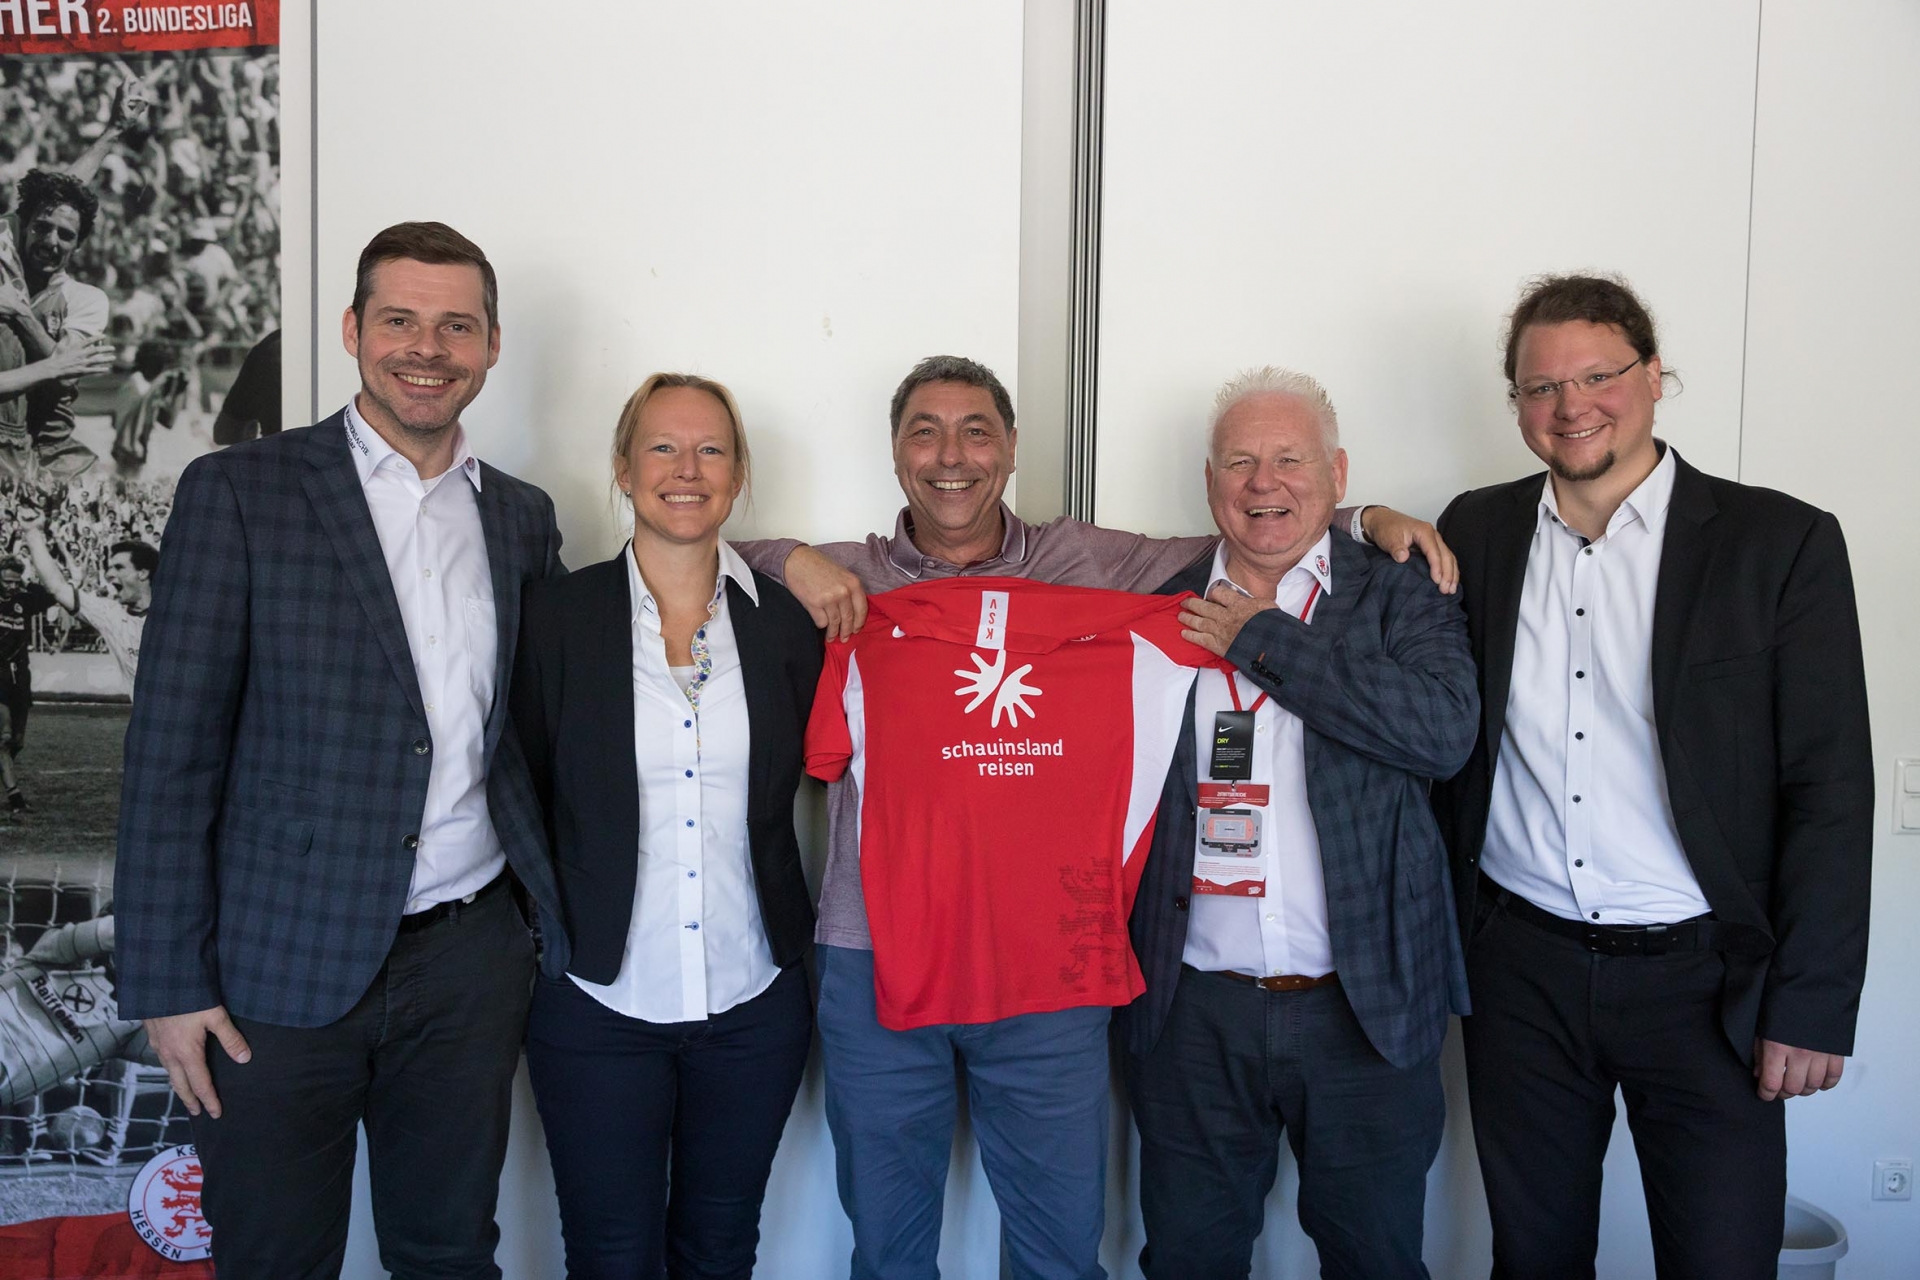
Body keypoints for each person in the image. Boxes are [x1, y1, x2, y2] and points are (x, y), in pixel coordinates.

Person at [733, 354, 1453, 1279]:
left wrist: (1367, 518)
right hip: (879, 947)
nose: (951, 455)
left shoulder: (1101, 567)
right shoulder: (849, 585)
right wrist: (788, 557)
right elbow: (708, 558)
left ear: (1011, 448)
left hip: (1052, 953)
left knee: (1060, 1251)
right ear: (896, 450)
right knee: (888, 1244)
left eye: (976, 431)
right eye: (925, 431)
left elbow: (1255, 534)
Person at [113, 221, 567, 1279]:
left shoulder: (521, 518)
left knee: (448, 1252)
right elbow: (170, 755)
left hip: (467, 964)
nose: (428, 349)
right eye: (401, 320)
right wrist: (167, 983)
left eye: (457, 326)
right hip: (273, 972)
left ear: (492, 345)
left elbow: (524, 727)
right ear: (354, 330)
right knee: (276, 1257)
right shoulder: (240, 492)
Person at [1428, 274, 1874, 1278]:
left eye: (1598, 375)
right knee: (1534, 1257)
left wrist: (1810, 1002)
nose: (1571, 405)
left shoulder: (1779, 542)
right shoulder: (1477, 530)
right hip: (1522, 972)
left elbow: (1831, 788)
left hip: (1706, 979)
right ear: (1517, 404)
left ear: (1655, 376)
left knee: (1722, 1258)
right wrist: (1371, 516)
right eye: (1542, 386)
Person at [1118, 367, 1477, 1279]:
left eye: (1290, 459)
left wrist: (1260, 638)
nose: (1263, 483)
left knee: (1376, 1261)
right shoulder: (1155, 602)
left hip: (1364, 1007)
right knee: (1189, 1262)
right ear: (1210, 482)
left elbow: (1443, 735)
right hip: (1192, 1013)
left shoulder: (1399, 591)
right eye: (1240, 462)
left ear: (1337, 474)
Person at [511, 374, 820, 1279]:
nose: (687, 470)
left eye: (711, 449)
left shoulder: (786, 623)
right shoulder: (556, 619)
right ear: (622, 468)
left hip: (755, 1000)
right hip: (597, 1002)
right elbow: (519, 794)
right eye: (662, 447)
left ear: (739, 474)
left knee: (721, 1249)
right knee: (610, 1256)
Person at [18, 503, 155, 694]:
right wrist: (32, 532)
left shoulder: (181, 615)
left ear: (143, 573)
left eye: (119, 568)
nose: (109, 574)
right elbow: (57, 587)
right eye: (110, 567)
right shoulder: (112, 615)